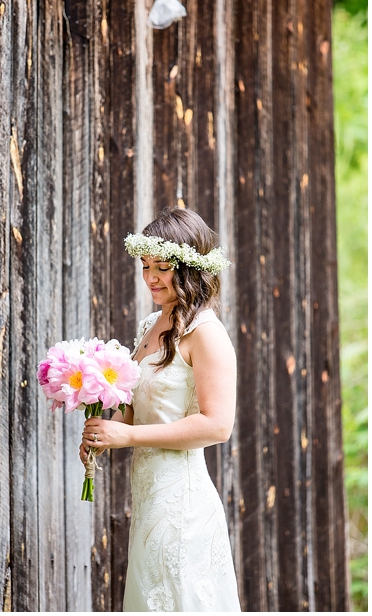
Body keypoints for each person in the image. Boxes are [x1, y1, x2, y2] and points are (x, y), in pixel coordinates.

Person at [79, 207, 241, 612]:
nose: (150, 277)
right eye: (145, 265)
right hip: (149, 500)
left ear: (190, 268)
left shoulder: (206, 334)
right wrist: (104, 434)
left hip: (183, 505)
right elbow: (137, 409)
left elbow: (217, 426)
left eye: (162, 267)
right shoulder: (151, 323)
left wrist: (128, 437)